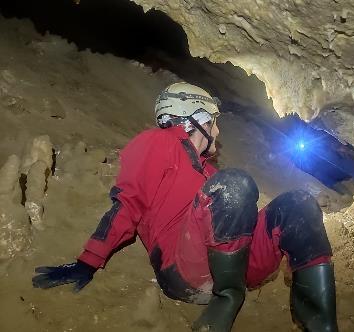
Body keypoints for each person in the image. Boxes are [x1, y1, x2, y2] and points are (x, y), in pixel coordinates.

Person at [32, 82, 338, 332]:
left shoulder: (211, 175)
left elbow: (237, 225)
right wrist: (88, 260)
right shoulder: (156, 142)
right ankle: (225, 302)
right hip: (184, 266)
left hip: (235, 262)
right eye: (213, 123)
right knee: (234, 184)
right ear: (195, 121)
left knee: (299, 203)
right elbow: (128, 202)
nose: (217, 131)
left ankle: (321, 324)